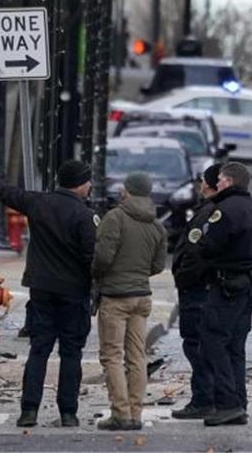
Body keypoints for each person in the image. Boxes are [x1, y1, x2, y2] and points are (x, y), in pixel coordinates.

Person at [0, 160, 98, 428]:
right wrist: (96, 289)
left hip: (42, 290)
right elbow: (91, 257)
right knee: (71, 353)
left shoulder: (39, 203)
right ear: (81, 184)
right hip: (73, 293)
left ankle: (29, 410)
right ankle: (68, 412)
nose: (90, 186)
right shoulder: (84, 216)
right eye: (88, 181)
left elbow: (6, 192)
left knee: (39, 350)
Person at [180, 162, 252, 426]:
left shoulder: (224, 211)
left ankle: (227, 403)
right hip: (247, 285)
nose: (215, 184)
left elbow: (207, 246)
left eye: (218, 180)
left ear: (228, 182)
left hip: (227, 286)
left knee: (212, 341)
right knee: (234, 346)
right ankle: (238, 402)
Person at [91, 172, 167, 431]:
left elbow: (102, 257)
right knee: (137, 357)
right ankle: (135, 413)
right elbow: (158, 264)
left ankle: (120, 413)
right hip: (141, 297)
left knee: (111, 356)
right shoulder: (156, 225)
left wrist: (100, 275)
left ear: (128, 190)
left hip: (115, 297)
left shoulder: (115, 218)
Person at [168, 164, 223, 421]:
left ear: (210, 184)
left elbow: (195, 252)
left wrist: (183, 277)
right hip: (204, 288)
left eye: (202, 180)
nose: (199, 184)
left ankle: (203, 399)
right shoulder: (213, 210)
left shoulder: (208, 212)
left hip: (198, 290)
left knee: (197, 346)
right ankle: (208, 397)